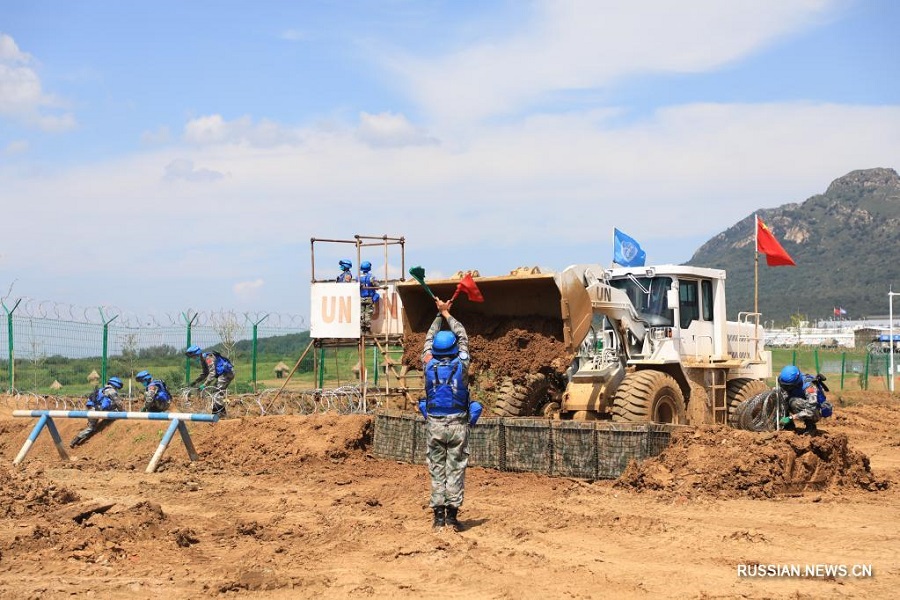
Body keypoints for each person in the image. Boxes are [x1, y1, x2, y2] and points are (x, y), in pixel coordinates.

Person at [417, 297, 483, 531]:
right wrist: (447, 313)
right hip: (458, 424)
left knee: (437, 469)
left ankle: (438, 518)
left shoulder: (427, 363)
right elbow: (462, 334)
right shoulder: (462, 364)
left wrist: (437, 314)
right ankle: (452, 518)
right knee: (455, 468)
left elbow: (427, 339)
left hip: (434, 423)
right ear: (455, 348)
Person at [70, 376, 124, 448]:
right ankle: (107, 420)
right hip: (101, 411)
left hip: (92, 410)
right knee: (115, 411)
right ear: (116, 384)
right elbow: (118, 403)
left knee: (91, 428)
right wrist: (123, 413)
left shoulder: (101, 390)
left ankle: (75, 440)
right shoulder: (111, 391)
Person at [777, 365, 828, 435]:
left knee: (794, 402)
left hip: (815, 411)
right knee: (783, 398)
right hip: (804, 405)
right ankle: (788, 425)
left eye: (788, 386)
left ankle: (810, 426)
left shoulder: (809, 386)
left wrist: (791, 417)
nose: (786, 388)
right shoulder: (789, 383)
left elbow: (811, 410)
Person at [185, 344, 234, 416]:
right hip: (222, 374)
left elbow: (212, 373)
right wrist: (195, 382)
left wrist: (204, 385)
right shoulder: (202, 359)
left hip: (226, 373)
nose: (193, 358)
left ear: (197, 354)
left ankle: (219, 413)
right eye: (192, 357)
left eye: (194, 356)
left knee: (217, 391)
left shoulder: (208, 358)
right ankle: (220, 412)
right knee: (215, 391)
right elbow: (205, 373)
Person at [359, 260, 380, 332]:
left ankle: (362, 330)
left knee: (361, 314)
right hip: (369, 298)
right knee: (368, 314)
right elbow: (377, 286)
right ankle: (367, 330)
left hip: (361, 298)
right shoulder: (371, 277)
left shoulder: (357, 277)